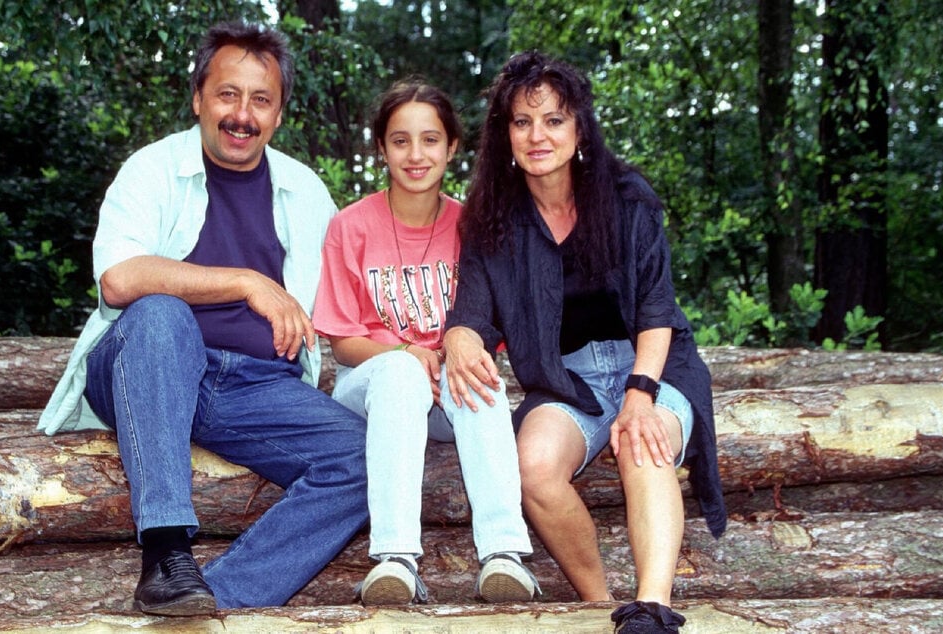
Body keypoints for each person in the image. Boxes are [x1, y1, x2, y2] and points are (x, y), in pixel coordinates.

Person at [37, 21, 369, 615]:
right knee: (162, 315)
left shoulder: (305, 191)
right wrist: (246, 281)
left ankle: (214, 597)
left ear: (279, 114)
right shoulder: (152, 167)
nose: (242, 115)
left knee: (367, 458)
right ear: (198, 98)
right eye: (227, 94)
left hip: (253, 388)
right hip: (144, 364)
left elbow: (350, 307)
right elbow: (118, 280)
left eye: (261, 100)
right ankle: (166, 553)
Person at [442, 52, 727, 633]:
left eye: (553, 120)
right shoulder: (491, 219)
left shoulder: (627, 197)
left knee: (642, 441)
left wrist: (640, 394)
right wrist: (459, 339)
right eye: (522, 122)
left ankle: (652, 611)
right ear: (505, 135)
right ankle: (601, 607)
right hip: (566, 377)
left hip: (653, 362)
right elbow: (471, 313)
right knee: (533, 467)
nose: (537, 136)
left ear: (579, 129)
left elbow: (656, 308)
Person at [312, 79, 539, 605]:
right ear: (381, 148)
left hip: (447, 392)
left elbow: (489, 331)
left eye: (430, 139)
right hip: (370, 387)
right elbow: (343, 342)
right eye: (400, 140)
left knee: (476, 371)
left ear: (452, 147)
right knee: (400, 373)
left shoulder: (473, 225)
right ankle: (395, 559)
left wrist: (444, 359)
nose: (416, 155)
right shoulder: (350, 227)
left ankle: (504, 554)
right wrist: (407, 355)